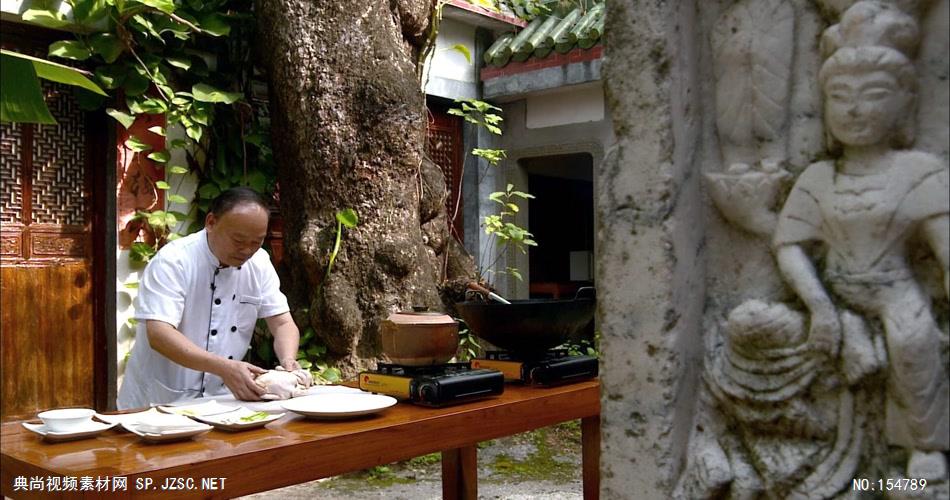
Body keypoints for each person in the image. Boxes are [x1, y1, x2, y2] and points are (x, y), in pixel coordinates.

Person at [773, 1, 948, 476]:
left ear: (904, 103)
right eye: (841, 95)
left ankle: (923, 450)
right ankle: (789, 445)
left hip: (896, 293)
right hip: (832, 296)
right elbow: (789, 246)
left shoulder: (918, 172)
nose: (854, 108)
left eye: (873, 94)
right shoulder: (818, 177)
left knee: (913, 340)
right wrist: (820, 307)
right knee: (757, 326)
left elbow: (944, 247)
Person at [118, 187, 300, 409]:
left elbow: (282, 322)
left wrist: (288, 362)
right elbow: (159, 334)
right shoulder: (174, 260)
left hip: (221, 402)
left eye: (257, 242)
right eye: (238, 240)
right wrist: (224, 367)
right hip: (158, 400)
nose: (247, 250)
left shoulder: (259, 263)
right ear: (211, 222)